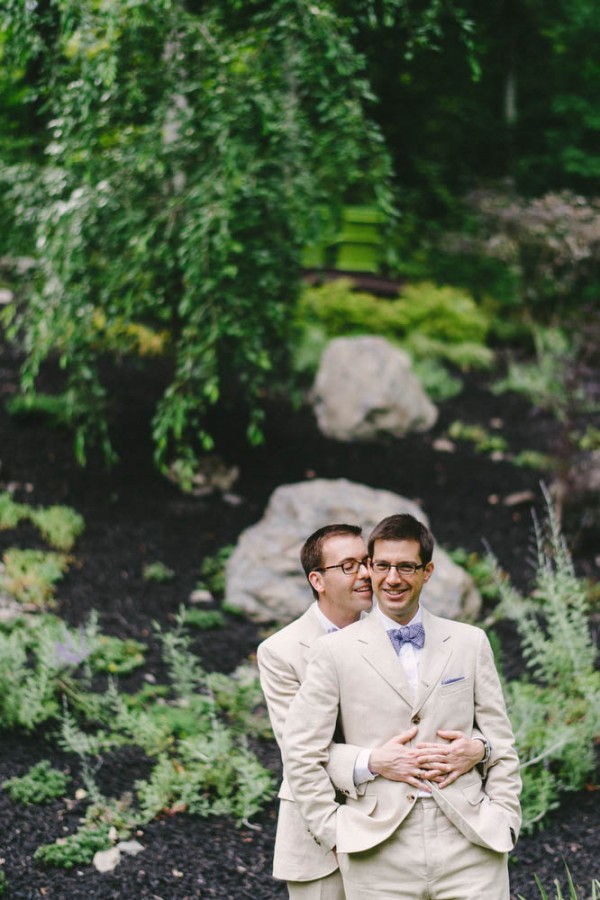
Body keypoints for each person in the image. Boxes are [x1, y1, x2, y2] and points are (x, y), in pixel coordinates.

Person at [282, 514, 521, 900]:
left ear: (427, 571)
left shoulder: (469, 642)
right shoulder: (334, 651)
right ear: (371, 569)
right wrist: (334, 828)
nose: (393, 578)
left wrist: (505, 817)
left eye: (406, 566)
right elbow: (300, 750)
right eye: (382, 566)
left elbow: (500, 739)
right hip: (377, 848)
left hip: (470, 839)